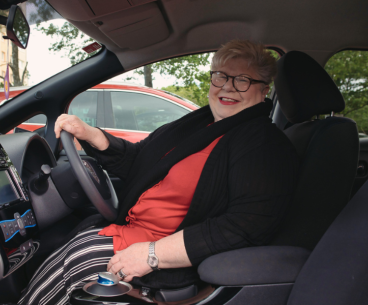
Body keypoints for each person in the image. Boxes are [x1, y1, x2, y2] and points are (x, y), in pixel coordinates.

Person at [18, 40, 299, 305]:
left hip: (167, 258)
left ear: (264, 90)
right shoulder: (200, 124)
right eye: (221, 76)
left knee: (80, 262)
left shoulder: (262, 143)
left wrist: (152, 255)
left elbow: (245, 226)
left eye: (243, 80)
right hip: (132, 233)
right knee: (72, 250)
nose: (228, 87)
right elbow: (139, 160)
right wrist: (91, 135)